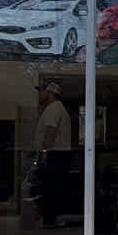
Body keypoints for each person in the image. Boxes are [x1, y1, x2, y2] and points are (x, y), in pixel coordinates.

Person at [32, 79, 72, 227]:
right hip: (57, 155)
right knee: (54, 187)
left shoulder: (54, 108)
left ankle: (50, 220)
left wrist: (44, 152)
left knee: (51, 188)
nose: (40, 95)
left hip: (55, 155)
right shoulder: (56, 108)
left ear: (50, 92)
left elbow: (51, 131)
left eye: (41, 91)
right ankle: (51, 218)